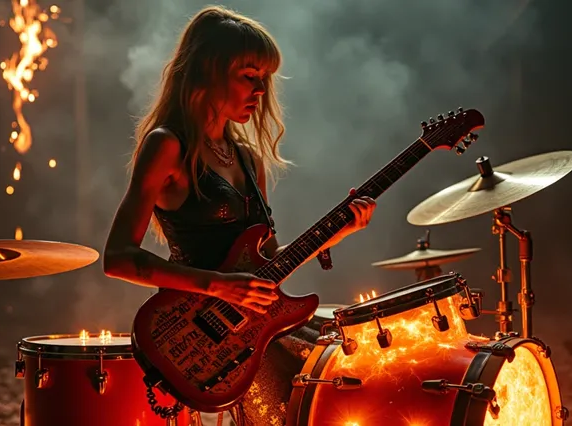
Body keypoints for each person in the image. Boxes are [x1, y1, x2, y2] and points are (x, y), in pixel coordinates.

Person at [103, 6, 376, 425]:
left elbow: (264, 264)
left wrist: (334, 234)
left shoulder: (248, 158)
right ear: (206, 72)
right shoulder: (167, 146)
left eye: (264, 79)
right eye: (249, 76)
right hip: (203, 337)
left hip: (258, 327)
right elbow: (119, 257)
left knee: (358, 366)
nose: (261, 90)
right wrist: (220, 287)